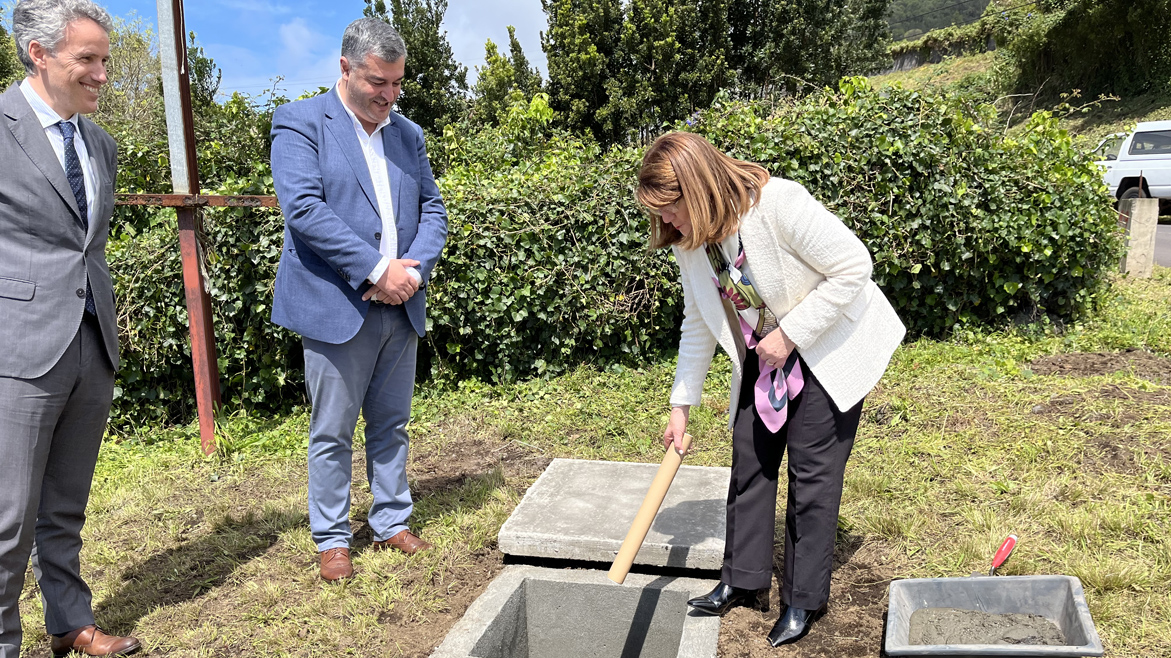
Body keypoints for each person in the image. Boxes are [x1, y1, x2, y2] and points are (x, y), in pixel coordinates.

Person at [637, 132, 905, 646]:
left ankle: (803, 599)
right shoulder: (691, 245)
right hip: (765, 356)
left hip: (824, 347)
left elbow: (854, 266)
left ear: (699, 190)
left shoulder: (778, 204)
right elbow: (699, 319)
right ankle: (742, 579)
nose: (667, 223)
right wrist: (680, 404)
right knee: (751, 458)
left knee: (812, 473)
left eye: (671, 210)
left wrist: (790, 334)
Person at [269, 17, 448, 582]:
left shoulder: (408, 134)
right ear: (345, 68)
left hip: (402, 301)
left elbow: (434, 210)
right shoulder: (299, 122)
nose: (390, 96)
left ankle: (392, 519)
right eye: (379, 83)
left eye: (398, 84)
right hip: (335, 304)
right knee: (333, 430)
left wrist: (409, 275)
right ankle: (332, 537)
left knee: (393, 423)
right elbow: (304, 210)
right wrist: (376, 269)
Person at [0, 1, 141, 656]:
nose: (102, 74)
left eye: (104, 60)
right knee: (8, 518)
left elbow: (87, 248)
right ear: (41, 55)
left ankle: (69, 621)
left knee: (64, 507)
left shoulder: (99, 143)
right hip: (18, 348)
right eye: (88, 59)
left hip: (89, 342)